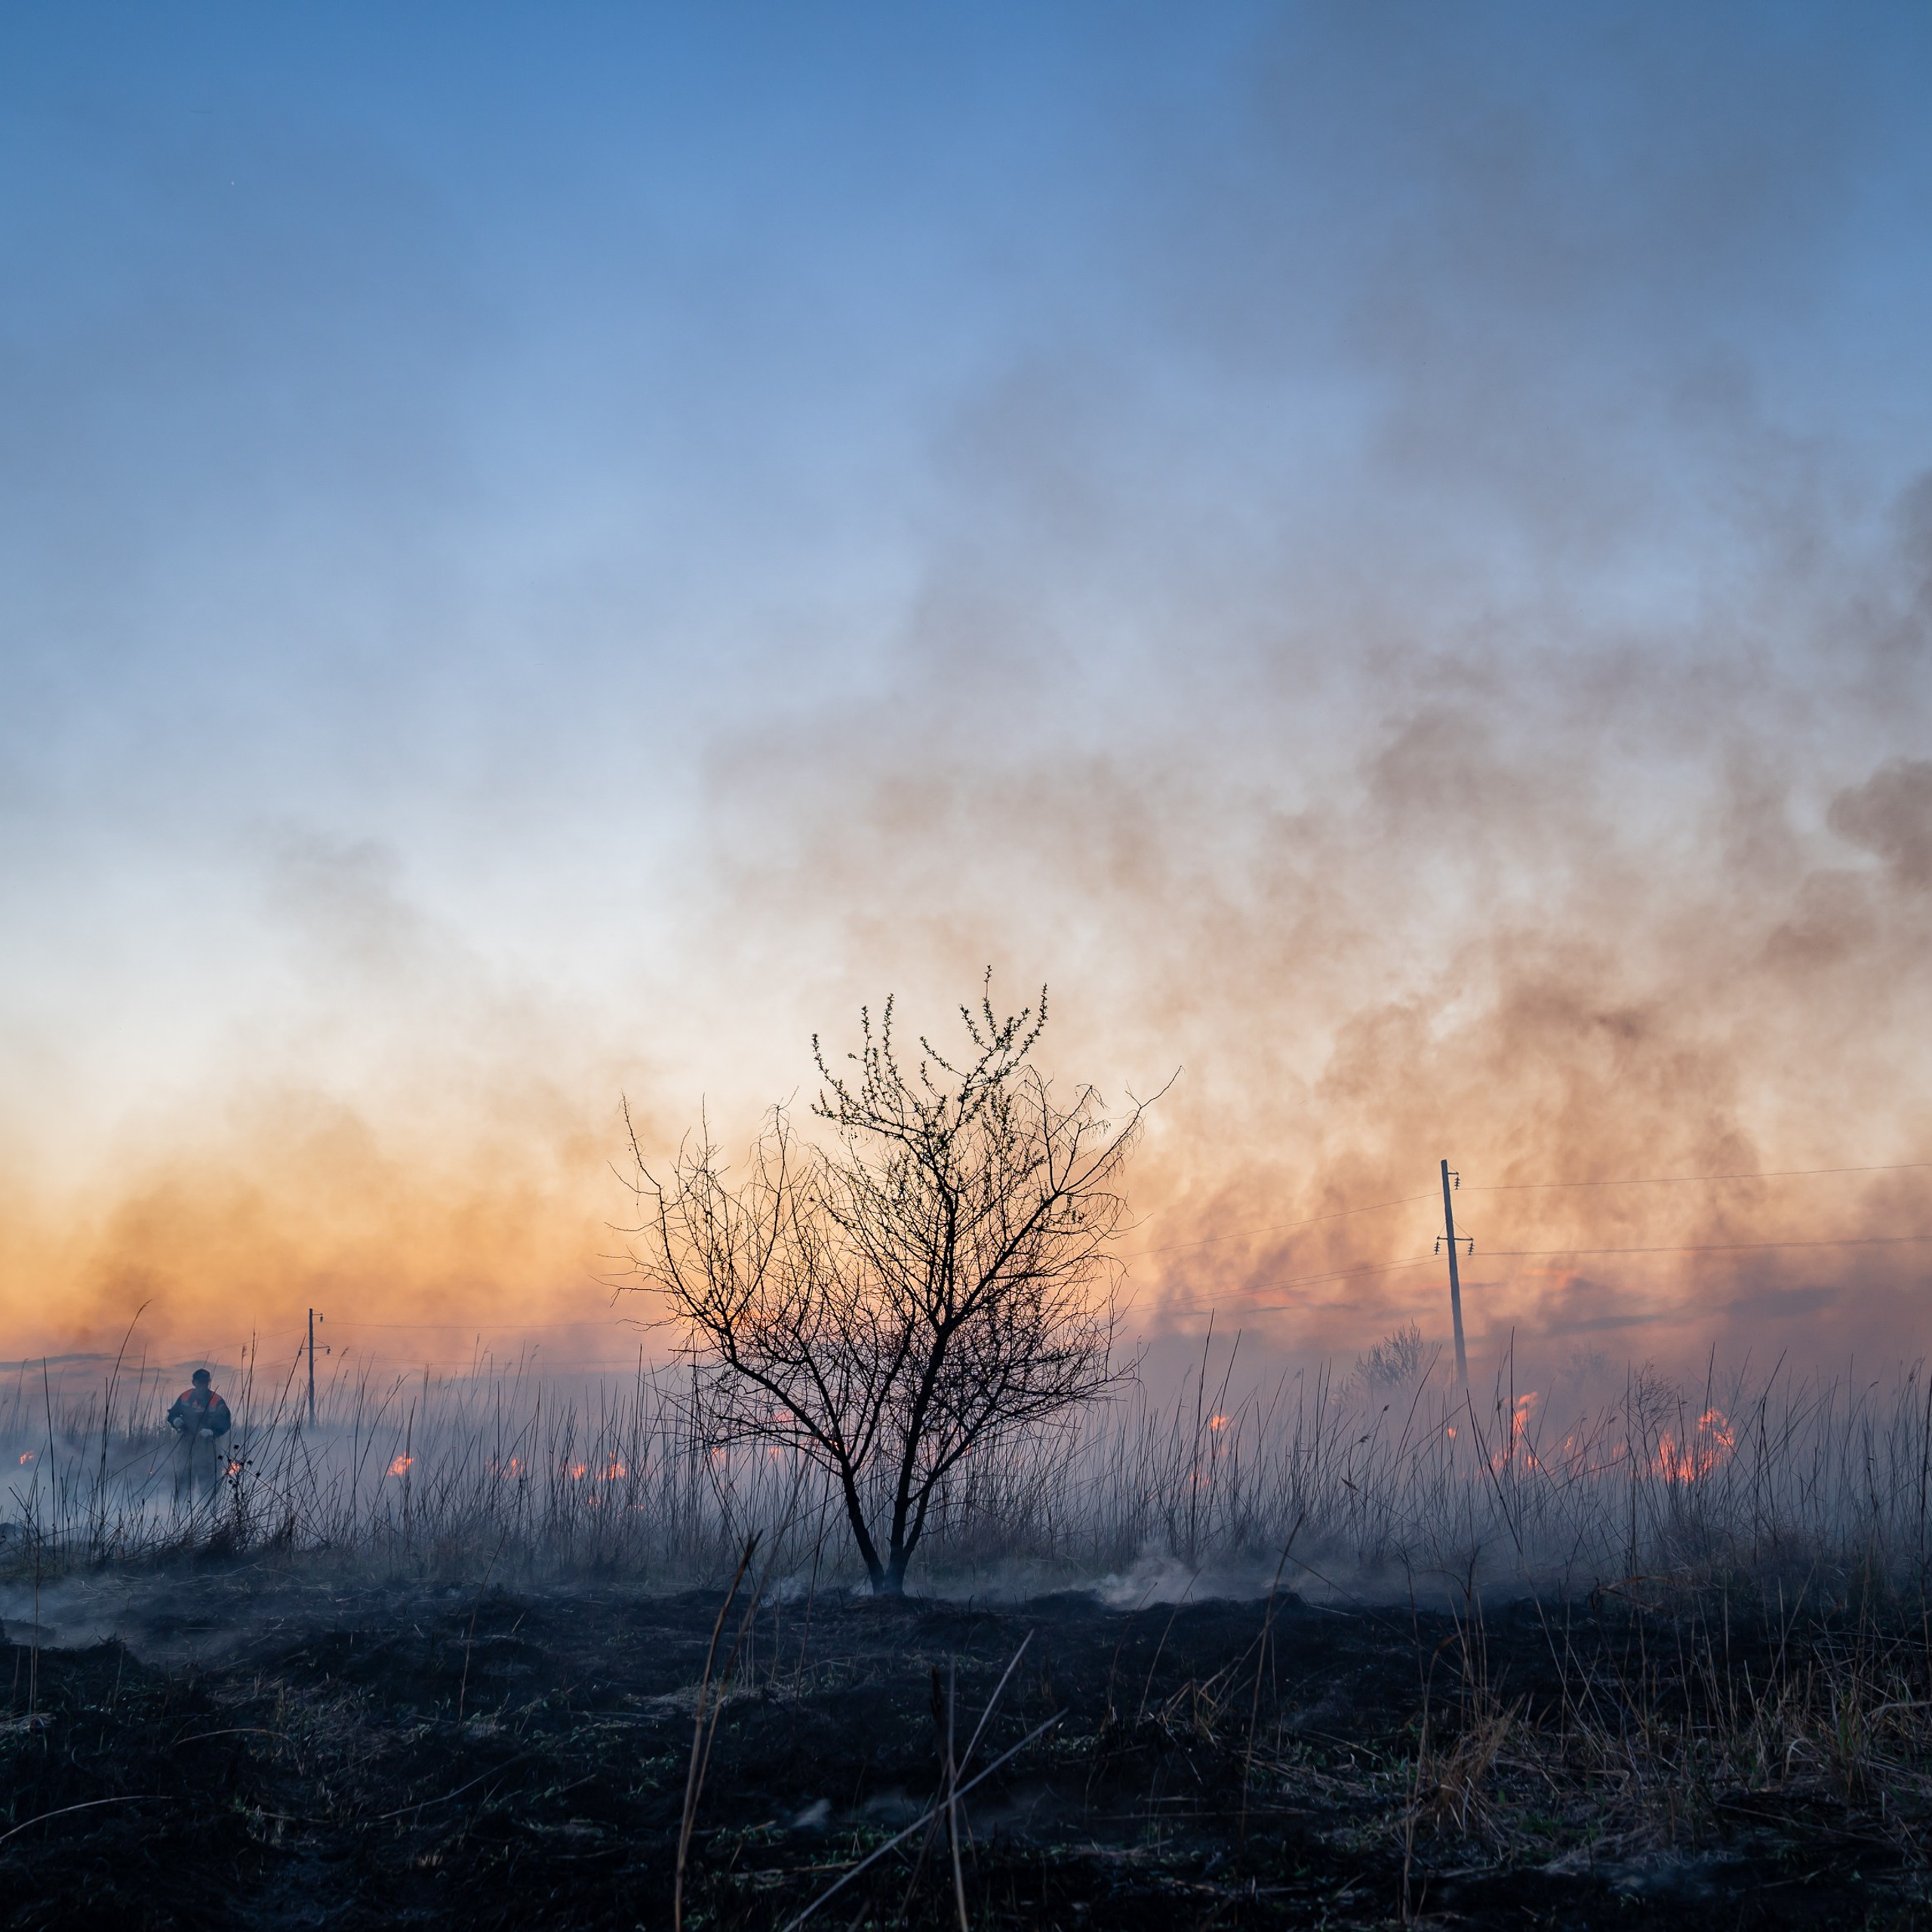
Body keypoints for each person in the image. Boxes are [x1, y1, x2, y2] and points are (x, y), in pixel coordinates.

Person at [166, 1367, 232, 1508]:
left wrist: (212, 1432)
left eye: (205, 1383)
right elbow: (172, 1414)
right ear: (193, 1382)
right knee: (183, 1484)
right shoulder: (185, 1397)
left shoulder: (216, 1400)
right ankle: (180, 1516)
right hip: (187, 1447)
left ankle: (208, 1518)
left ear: (208, 1383)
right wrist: (176, 1420)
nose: (202, 1386)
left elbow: (226, 1421)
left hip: (209, 1449)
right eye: (199, 1383)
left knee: (208, 1487)